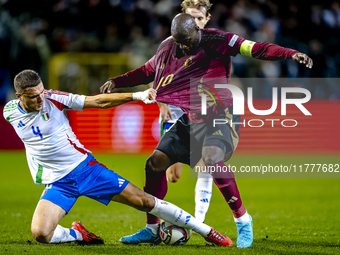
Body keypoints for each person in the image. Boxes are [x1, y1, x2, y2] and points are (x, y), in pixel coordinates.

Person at [100, 14, 313, 248]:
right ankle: (152, 228)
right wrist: (117, 81)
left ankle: (243, 220)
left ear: (197, 31)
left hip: (222, 114)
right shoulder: (168, 47)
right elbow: (148, 71)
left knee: (212, 158)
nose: (184, 46)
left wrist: (290, 53)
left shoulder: (219, 40)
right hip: (191, 117)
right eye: (179, 41)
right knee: (155, 163)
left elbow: (257, 48)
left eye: (188, 40)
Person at [3, 69, 234, 247]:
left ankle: (206, 231)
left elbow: (98, 102)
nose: (41, 100)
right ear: (19, 96)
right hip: (58, 182)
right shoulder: (9, 111)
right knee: (41, 234)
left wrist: (138, 95)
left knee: (144, 201)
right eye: (34, 97)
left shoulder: (54, 99)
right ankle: (78, 234)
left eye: (42, 93)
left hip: (87, 170)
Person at [159, 0, 216, 224]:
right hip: (173, 110)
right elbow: (157, 78)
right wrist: (162, 103)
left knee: (206, 164)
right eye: (191, 18)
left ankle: (199, 222)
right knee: (173, 176)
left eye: (200, 18)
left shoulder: (213, 45)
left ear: (207, 19)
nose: (196, 23)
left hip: (199, 112)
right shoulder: (170, 45)